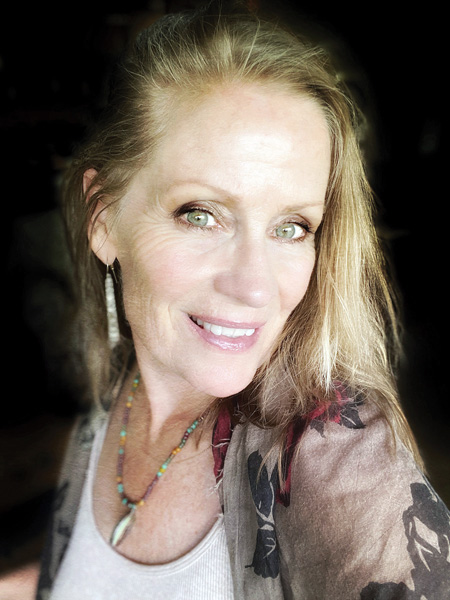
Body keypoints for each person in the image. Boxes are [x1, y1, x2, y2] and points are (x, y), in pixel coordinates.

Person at [36, 2, 450, 598]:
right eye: (201, 214)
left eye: (292, 227)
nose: (255, 287)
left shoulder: (334, 452)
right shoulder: (114, 389)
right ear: (103, 219)